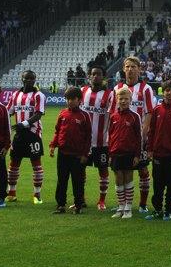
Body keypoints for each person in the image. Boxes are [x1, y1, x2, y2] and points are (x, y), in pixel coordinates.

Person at [109, 56, 155, 213]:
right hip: (121, 140)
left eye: (133, 67)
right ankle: (123, 204)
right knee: (121, 171)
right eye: (127, 66)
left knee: (142, 170)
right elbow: (113, 113)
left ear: (139, 69)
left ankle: (142, 204)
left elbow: (149, 112)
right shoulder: (117, 88)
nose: (130, 69)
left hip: (139, 137)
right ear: (123, 69)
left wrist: (143, 132)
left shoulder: (146, 88)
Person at [145, 81, 171, 222]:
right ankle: (157, 210)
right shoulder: (156, 110)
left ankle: (168, 210)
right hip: (158, 154)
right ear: (163, 91)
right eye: (166, 90)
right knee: (158, 185)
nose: (169, 93)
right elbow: (152, 131)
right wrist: (150, 149)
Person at [49, 87, 91, 215]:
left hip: (77, 155)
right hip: (63, 153)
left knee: (77, 181)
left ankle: (78, 206)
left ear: (79, 100)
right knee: (61, 180)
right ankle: (61, 205)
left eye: (72, 99)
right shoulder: (62, 113)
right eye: (67, 99)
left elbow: (88, 137)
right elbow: (57, 132)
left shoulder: (84, 116)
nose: (70, 101)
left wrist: (85, 154)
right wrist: (53, 145)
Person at [6, 70, 46, 204]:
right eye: (26, 78)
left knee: (36, 165)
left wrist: (23, 124)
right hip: (19, 135)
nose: (29, 80)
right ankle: (11, 193)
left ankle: (37, 195)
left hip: (33, 134)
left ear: (35, 80)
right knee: (13, 164)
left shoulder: (38, 95)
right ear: (22, 79)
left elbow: (39, 114)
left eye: (31, 78)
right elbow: (8, 112)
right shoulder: (15, 94)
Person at [80, 66, 112, 211]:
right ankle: (80, 199)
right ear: (89, 76)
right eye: (93, 74)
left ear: (103, 77)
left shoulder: (110, 95)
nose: (95, 77)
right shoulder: (82, 91)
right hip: (83, 142)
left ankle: (102, 201)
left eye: (98, 74)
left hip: (102, 142)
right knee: (80, 171)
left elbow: (112, 117)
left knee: (103, 171)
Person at [108, 87, 142, 219]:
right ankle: (120, 206)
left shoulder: (135, 117)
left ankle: (128, 207)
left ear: (130, 100)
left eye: (126, 99)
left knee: (128, 177)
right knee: (118, 178)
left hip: (129, 153)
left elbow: (138, 137)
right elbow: (110, 136)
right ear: (117, 99)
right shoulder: (113, 116)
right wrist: (110, 154)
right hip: (116, 152)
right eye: (120, 98)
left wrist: (137, 155)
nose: (123, 101)